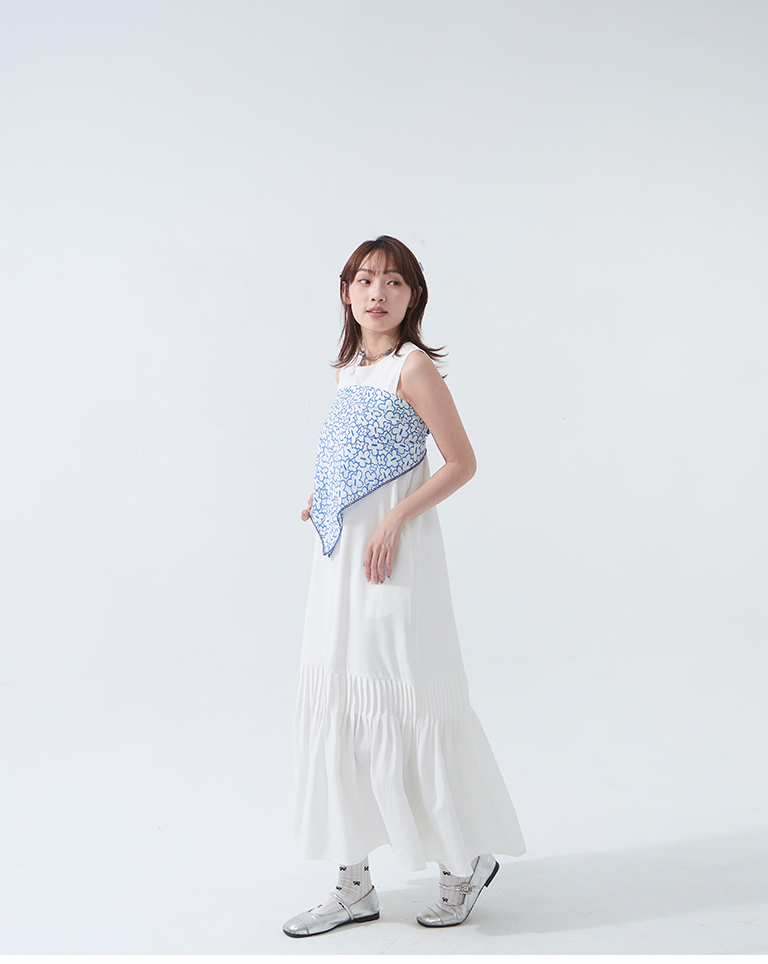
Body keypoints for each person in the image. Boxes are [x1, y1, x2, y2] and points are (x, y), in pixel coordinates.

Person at [283, 236, 525, 938]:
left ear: (413, 295)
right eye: (365, 280)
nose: (378, 292)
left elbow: (460, 462)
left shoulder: (411, 367)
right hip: (338, 562)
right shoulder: (348, 371)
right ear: (346, 292)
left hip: (394, 559)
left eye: (394, 281)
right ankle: (354, 883)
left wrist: (394, 517)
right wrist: (326, 494)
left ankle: (462, 864)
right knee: (341, 698)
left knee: (407, 694)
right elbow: (357, 452)